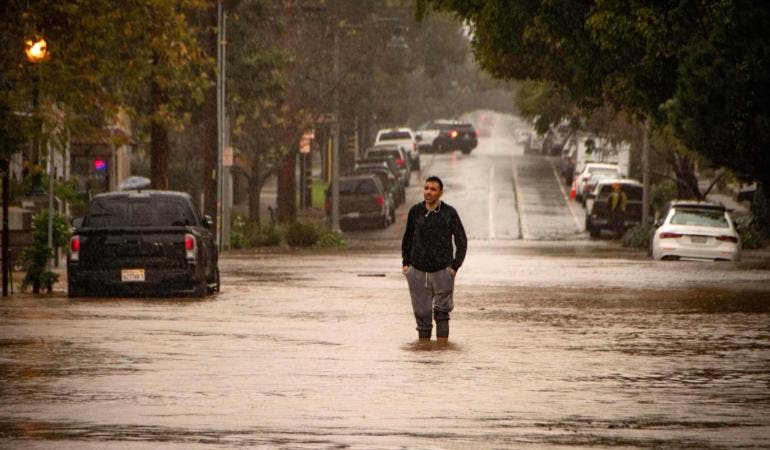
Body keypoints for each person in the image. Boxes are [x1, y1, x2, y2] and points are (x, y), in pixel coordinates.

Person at [401, 176, 467, 341]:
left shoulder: (449, 213)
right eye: (426, 188)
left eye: (433, 189)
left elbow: (461, 241)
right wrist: (406, 264)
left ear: (440, 193)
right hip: (417, 271)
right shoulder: (415, 211)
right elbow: (407, 238)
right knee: (422, 316)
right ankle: (425, 356)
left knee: (442, 312)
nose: (428, 192)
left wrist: (454, 267)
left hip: (442, 271)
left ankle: (441, 355)